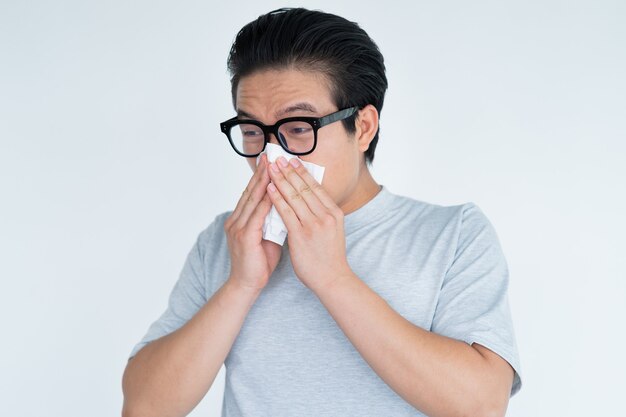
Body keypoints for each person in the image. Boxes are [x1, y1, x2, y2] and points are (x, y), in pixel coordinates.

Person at [122, 7, 522, 417]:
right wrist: (240, 285)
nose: (270, 157)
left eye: (298, 128)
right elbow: (144, 407)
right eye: (252, 131)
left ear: (363, 127)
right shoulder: (226, 240)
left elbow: (481, 405)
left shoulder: (452, 234)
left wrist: (333, 279)